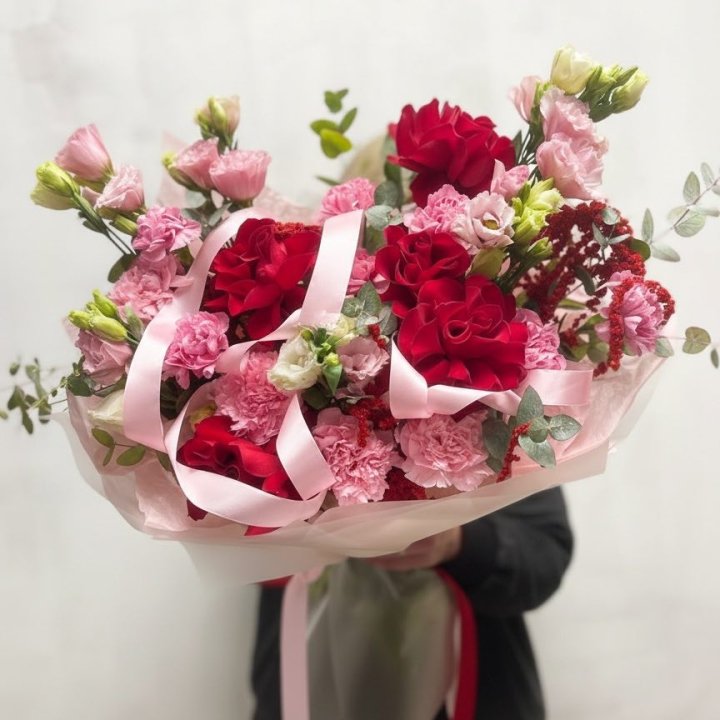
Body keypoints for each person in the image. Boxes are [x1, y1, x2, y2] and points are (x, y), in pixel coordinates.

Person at [251, 487, 574, 720]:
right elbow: (239, 547)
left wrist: (458, 543)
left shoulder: (506, 418)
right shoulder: (275, 426)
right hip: (301, 690)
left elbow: (544, 559)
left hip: (476, 692)